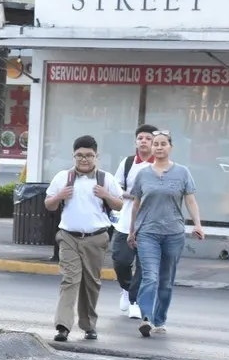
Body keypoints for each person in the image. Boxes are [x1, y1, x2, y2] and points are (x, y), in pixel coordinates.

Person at [44, 135, 123, 342]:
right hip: (68, 236)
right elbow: (49, 204)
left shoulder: (106, 179)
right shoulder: (63, 177)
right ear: (73, 156)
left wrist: (106, 194)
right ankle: (63, 326)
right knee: (70, 279)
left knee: (91, 283)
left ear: (96, 156)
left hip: (96, 238)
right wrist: (59, 196)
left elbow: (119, 205)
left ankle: (89, 325)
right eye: (79, 155)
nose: (84, 159)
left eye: (89, 155)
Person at [129, 130, 206, 337]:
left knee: (165, 280)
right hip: (148, 233)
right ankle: (146, 317)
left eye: (163, 144)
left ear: (170, 147)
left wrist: (197, 224)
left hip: (173, 233)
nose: (159, 147)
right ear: (151, 148)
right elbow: (135, 205)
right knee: (150, 276)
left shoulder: (182, 172)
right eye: (156, 144)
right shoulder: (143, 174)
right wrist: (132, 231)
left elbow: (190, 200)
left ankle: (159, 318)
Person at [110, 123, 157, 319]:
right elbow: (115, 187)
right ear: (136, 142)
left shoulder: (160, 164)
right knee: (120, 260)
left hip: (151, 223)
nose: (144, 141)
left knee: (144, 265)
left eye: (148, 138)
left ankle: (134, 300)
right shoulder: (128, 163)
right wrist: (132, 196)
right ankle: (126, 288)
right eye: (141, 138)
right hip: (125, 221)